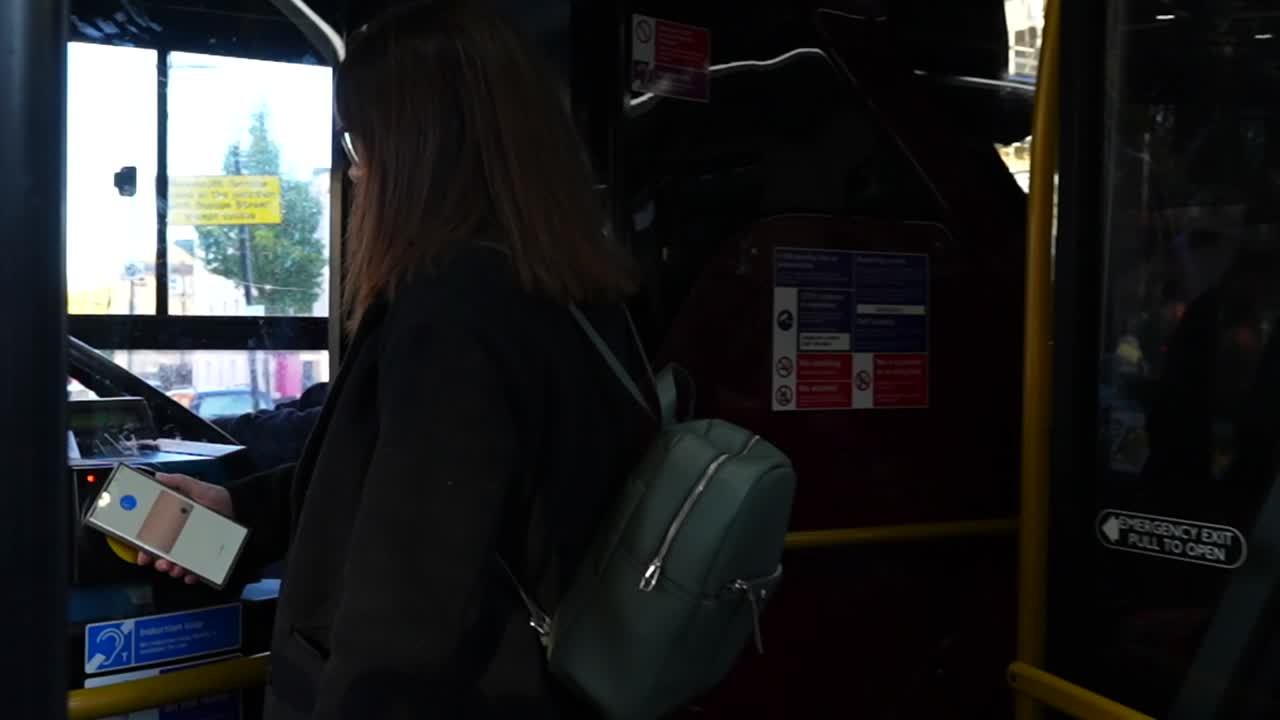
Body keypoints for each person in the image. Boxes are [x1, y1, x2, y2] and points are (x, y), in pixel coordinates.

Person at [140, 2, 654, 717]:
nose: (354, 175)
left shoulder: (452, 315)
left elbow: (405, 615)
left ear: (418, 149)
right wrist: (238, 505)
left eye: (359, 145)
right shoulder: (577, 294)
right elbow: (405, 483)